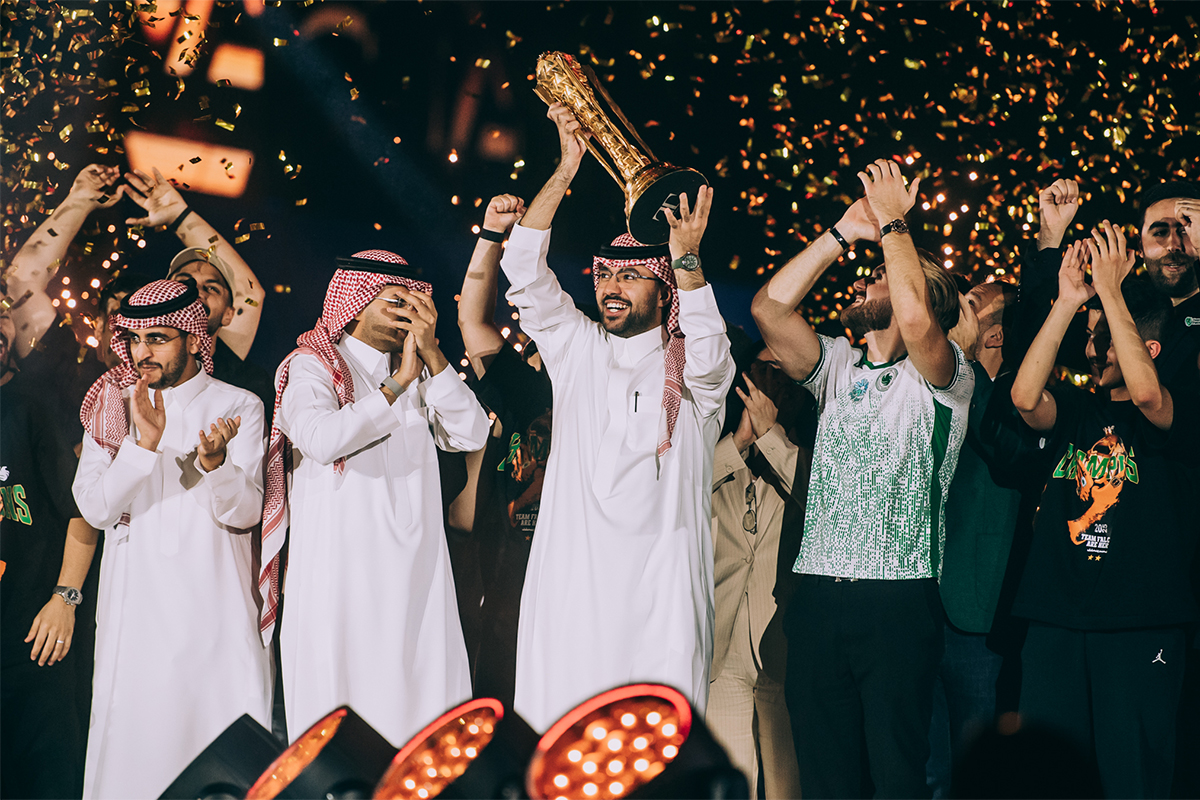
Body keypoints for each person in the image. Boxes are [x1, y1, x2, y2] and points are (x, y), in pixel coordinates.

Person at [499, 103, 735, 732]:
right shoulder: (578, 351)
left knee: (654, 754)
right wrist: (566, 167)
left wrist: (687, 258)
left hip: (660, 607)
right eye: (604, 274)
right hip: (571, 600)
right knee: (559, 747)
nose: (611, 286)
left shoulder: (694, 375)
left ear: (663, 289)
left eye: (631, 276)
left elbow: (710, 351)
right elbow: (523, 271)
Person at [752, 158, 974, 798]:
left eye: (880, 276)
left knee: (896, 778)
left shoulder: (946, 374)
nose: (865, 279)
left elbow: (918, 321)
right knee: (825, 779)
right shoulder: (838, 365)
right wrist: (843, 233)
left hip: (897, 600)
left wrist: (896, 223)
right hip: (818, 596)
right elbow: (769, 308)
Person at [261, 250, 489, 746]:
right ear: (355, 303)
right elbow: (321, 439)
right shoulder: (312, 365)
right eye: (395, 302)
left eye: (415, 304)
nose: (409, 314)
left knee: (422, 707)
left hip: (418, 574)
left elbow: (472, 432)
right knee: (347, 712)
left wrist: (432, 358)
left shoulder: (422, 371)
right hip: (344, 575)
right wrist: (398, 383)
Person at [1009, 226, 1198, 798]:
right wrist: (1069, 300)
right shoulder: (1075, 409)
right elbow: (1023, 397)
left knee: (1132, 781)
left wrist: (1113, 291)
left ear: (1147, 349)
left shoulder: (1176, 411)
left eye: (1106, 339)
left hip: (1139, 626)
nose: (1093, 350)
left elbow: (1148, 395)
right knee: (1049, 779)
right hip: (1055, 620)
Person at [72, 280, 271, 799]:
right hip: (135, 619)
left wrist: (216, 465)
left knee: (219, 750)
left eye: (158, 339)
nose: (143, 353)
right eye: (134, 340)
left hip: (215, 615)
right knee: (134, 760)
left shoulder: (239, 405)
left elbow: (248, 512)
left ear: (193, 337)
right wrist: (144, 445)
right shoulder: (112, 406)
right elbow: (94, 508)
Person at [456, 193, 556, 708]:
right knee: (497, 690)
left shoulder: (602, 392)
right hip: (507, 562)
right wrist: (493, 234)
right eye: (534, 347)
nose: (538, 352)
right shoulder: (524, 388)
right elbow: (473, 318)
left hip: (573, 563)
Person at [926, 280, 1024, 798]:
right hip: (920, 602)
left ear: (995, 334)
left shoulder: (1019, 396)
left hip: (976, 613)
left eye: (970, 305)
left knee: (975, 769)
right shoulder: (932, 384)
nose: (954, 310)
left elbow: (998, 442)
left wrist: (962, 364)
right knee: (927, 769)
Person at [0, 300, 94, 799]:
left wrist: (65, 598)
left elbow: (82, 510)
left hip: (33, 639)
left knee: (46, 781)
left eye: (2, 317)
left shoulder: (30, 406)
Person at [707, 344, 805, 800]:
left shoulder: (809, 452)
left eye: (779, 371)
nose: (769, 381)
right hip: (723, 647)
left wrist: (772, 437)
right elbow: (681, 492)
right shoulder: (719, 453)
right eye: (761, 369)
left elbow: (818, 500)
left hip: (782, 647)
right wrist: (740, 442)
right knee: (730, 784)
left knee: (787, 787)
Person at [119, 167, 275, 416]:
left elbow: (250, 294)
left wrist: (178, 216)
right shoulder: (133, 367)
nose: (197, 292)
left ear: (229, 314)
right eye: (185, 282)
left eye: (211, 288)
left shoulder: (245, 384)